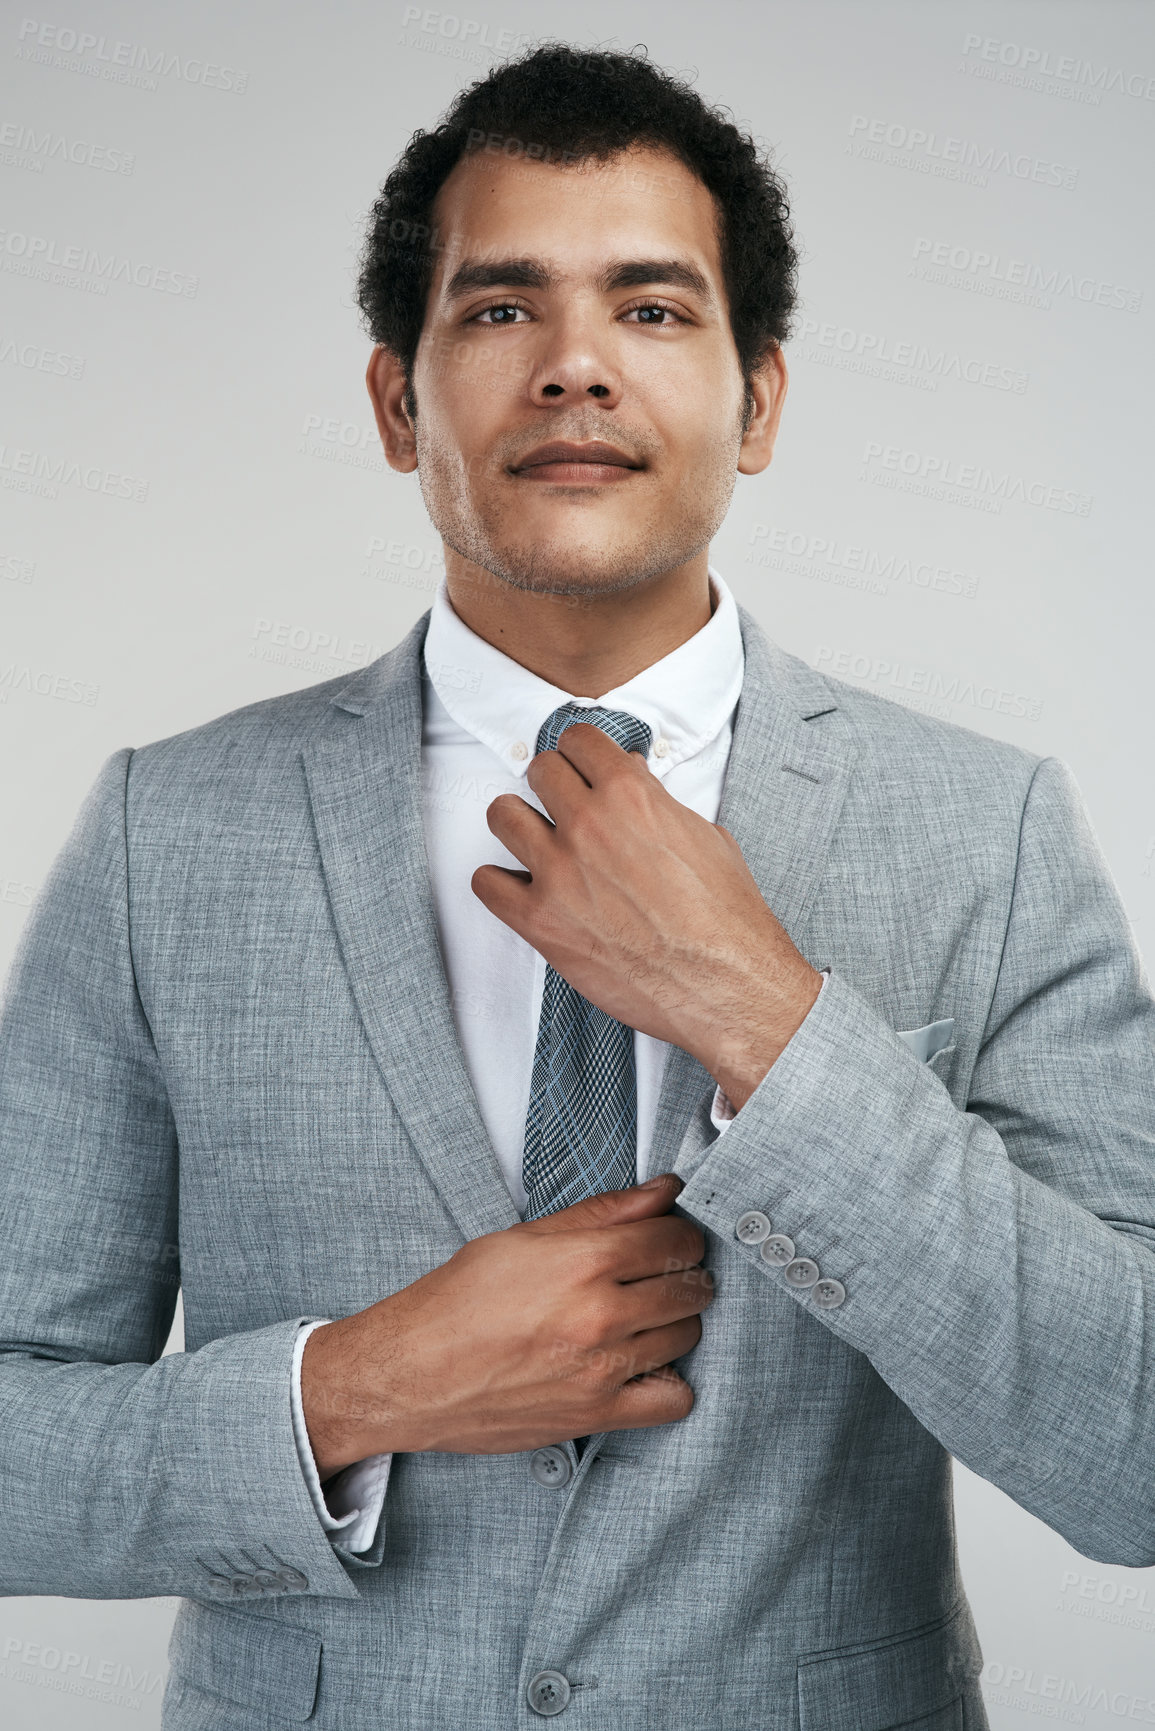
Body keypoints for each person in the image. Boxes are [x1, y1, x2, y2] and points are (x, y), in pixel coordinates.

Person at [1, 42, 1152, 1731]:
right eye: (499, 311)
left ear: (760, 399)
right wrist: (357, 1386)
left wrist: (757, 1012)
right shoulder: (168, 833)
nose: (576, 369)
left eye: (655, 309)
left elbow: (1134, 1450)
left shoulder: (987, 830)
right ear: (400, 402)